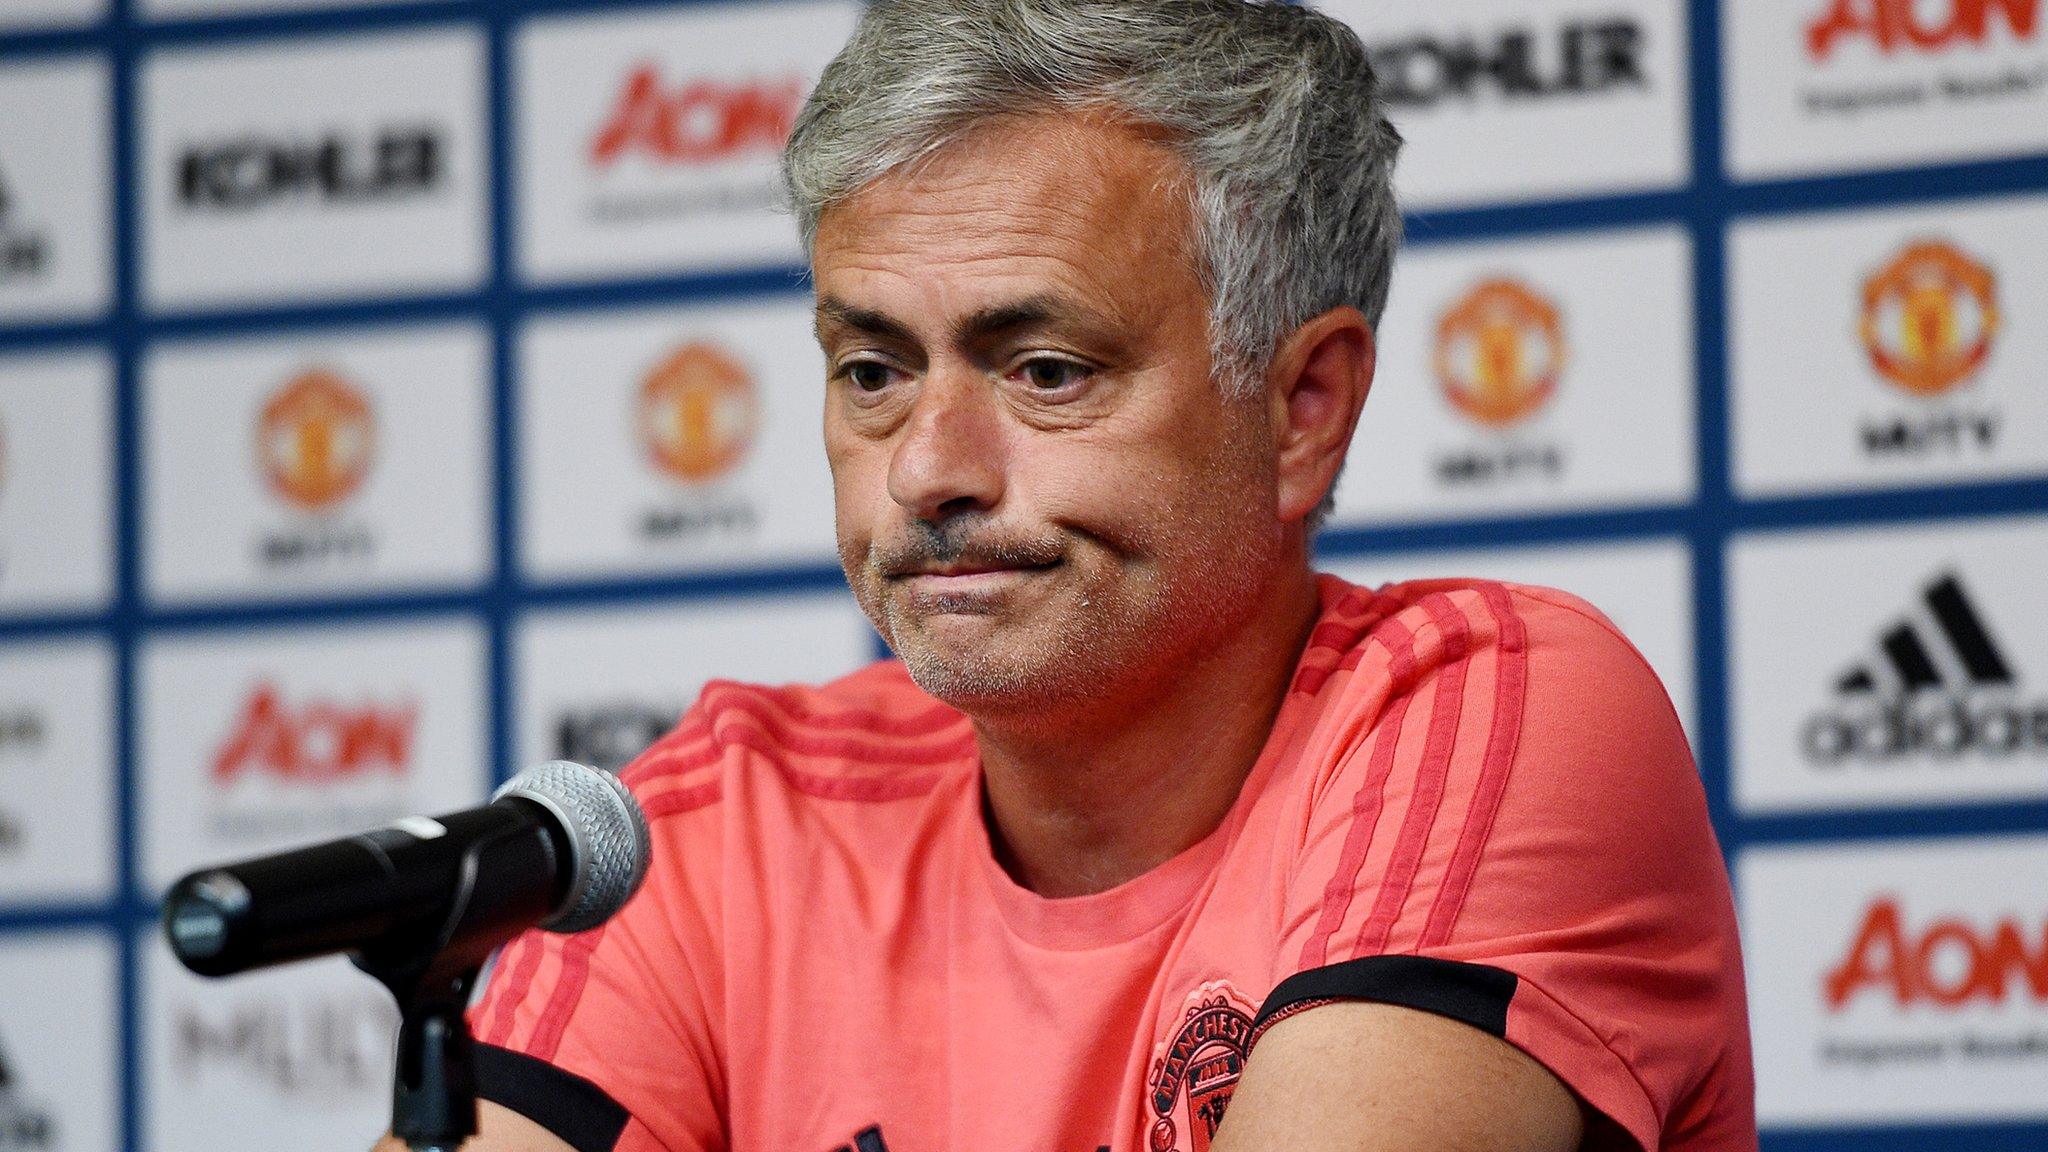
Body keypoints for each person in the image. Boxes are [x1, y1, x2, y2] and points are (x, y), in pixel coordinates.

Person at [413, 2, 1754, 1149]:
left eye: (1046, 370)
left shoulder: (1498, 714)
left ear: (1303, 409)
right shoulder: (724, 819)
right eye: (873, 372)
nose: (929, 470)